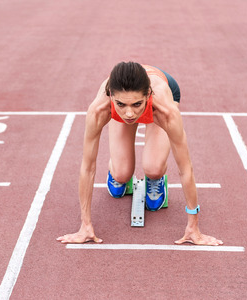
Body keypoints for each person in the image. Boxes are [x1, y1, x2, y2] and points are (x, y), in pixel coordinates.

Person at [57, 61, 223, 246]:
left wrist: (194, 227)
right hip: (129, 99)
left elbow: (185, 169)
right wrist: (85, 225)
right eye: (121, 104)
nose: (129, 114)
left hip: (162, 94)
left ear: (148, 95)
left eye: (136, 105)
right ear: (111, 96)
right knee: (122, 174)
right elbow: (87, 167)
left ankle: (157, 179)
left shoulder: (166, 111)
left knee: (153, 168)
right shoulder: (99, 110)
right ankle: (116, 172)